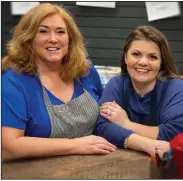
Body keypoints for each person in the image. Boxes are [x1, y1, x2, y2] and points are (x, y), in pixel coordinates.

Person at [2, 3, 116, 161]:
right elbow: (9, 146)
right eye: (43, 31)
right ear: (28, 38)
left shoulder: (85, 70)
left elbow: (106, 117)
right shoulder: (14, 82)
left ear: (70, 38)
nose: (53, 39)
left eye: (60, 32)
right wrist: (77, 145)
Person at [94, 25, 183, 158]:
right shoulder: (116, 84)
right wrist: (147, 144)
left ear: (161, 63)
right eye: (136, 54)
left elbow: (174, 133)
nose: (143, 62)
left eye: (152, 57)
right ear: (125, 57)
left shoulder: (176, 87)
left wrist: (126, 124)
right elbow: (102, 127)